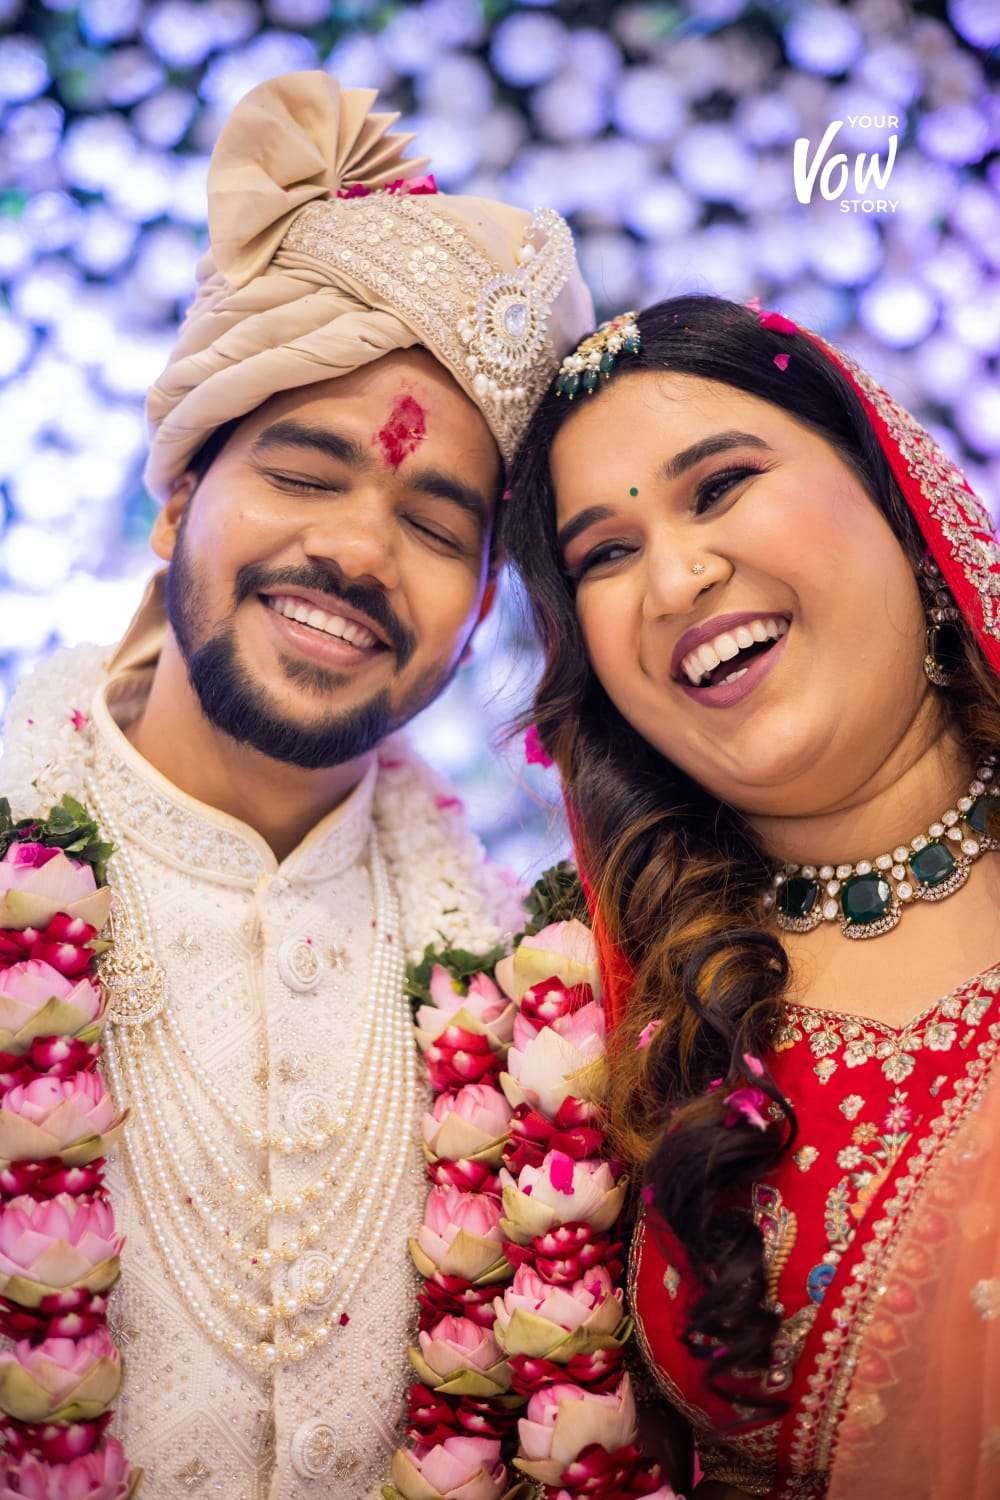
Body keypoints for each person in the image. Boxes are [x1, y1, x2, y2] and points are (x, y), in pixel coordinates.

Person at [0, 72, 592, 1497]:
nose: (359, 552)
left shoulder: (533, 1013)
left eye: (435, 526)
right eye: (307, 473)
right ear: (176, 499)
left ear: (479, 608)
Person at [503, 294, 1000, 1499]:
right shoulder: (601, 1039)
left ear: (897, 501)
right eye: (604, 556)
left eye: (719, 485)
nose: (676, 578)